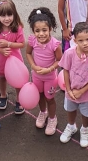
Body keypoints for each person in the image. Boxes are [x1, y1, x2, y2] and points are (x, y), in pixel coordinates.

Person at [58, 22, 88, 148]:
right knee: (70, 109)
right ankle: (71, 126)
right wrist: (68, 90)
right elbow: (65, 71)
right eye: (81, 40)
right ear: (75, 40)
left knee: (86, 113)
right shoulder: (69, 53)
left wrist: (81, 91)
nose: (85, 43)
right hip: (71, 90)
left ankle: (85, 129)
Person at [26, 8, 62, 136]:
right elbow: (28, 53)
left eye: (44, 30)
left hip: (50, 77)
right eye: (37, 31)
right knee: (40, 95)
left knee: (49, 98)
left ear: (50, 29)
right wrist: (33, 65)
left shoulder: (55, 45)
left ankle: (52, 119)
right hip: (36, 76)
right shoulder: (32, 41)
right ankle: (43, 112)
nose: (41, 34)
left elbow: (60, 60)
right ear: (33, 31)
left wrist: (49, 69)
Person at [0, 0, 26, 115]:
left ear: (14, 14)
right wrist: (0, 49)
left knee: (18, 80)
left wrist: (8, 44)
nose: (6, 18)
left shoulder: (17, 28)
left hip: (15, 61)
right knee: (1, 77)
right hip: (0, 60)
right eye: (3, 15)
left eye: (10, 15)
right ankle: (3, 95)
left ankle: (19, 99)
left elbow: (22, 44)